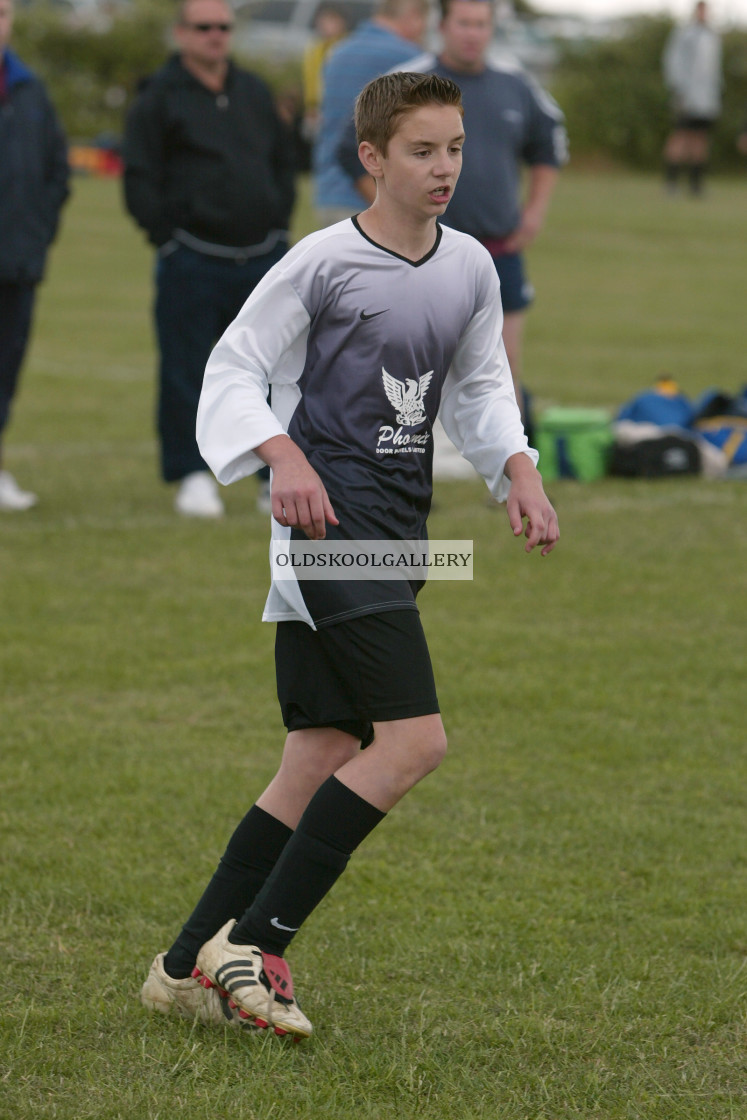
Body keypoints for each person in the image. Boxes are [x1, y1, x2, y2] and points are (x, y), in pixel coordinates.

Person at [139, 71, 559, 1040]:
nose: (445, 166)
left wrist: (520, 469)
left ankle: (177, 966)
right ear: (371, 158)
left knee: (320, 752)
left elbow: (484, 387)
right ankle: (257, 942)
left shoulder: (469, 268)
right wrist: (280, 454)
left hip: (400, 534)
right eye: (422, 150)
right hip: (329, 536)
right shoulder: (322, 262)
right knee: (414, 742)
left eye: (455, 148)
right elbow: (235, 366)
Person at [338, 0, 567, 438]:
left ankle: (512, 471)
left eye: (481, 24)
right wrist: (396, 213)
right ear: (442, 26)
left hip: (497, 251)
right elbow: (351, 152)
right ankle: (387, 461)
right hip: (417, 253)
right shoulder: (407, 83)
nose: (472, 33)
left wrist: (534, 212)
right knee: (400, 364)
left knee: (504, 362)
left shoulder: (515, 83)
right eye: (463, 23)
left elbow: (548, 146)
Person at [122, 0, 296, 518]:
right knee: (187, 370)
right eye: (204, 27)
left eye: (223, 26)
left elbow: (283, 163)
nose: (215, 36)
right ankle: (193, 475)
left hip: (263, 258)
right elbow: (139, 176)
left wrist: (278, 225)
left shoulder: (254, 91)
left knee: (274, 371)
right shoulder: (158, 98)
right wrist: (167, 236)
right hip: (192, 258)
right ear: (181, 33)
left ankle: (274, 476)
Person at [0, 0, 69, 512]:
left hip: (16, 261)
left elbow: (54, 172)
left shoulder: (29, 90)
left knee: (5, 369)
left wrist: (35, 232)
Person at [313, 0, 429, 227]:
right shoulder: (411, 58)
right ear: (413, 15)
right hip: (376, 198)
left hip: (329, 194)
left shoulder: (336, 53)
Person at [662, 0, 722, 197]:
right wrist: (679, 89)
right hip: (687, 96)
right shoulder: (684, 34)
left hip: (707, 98)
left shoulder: (713, 36)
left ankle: (696, 184)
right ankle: (671, 182)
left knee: (700, 138)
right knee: (681, 135)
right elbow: (673, 62)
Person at [301, 2, 349, 142]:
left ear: (342, 22)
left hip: (337, 111)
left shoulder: (345, 47)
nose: (324, 24)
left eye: (331, 19)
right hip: (315, 111)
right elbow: (310, 81)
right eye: (322, 19)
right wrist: (310, 106)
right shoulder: (314, 48)